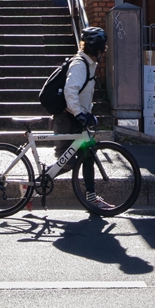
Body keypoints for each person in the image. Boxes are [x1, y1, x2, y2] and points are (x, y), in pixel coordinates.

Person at [53, 26, 112, 211]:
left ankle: (91, 198)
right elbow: (71, 90)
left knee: (87, 156)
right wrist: (79, 113)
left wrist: (87, 114)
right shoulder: (80, 65)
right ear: (96, 49)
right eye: (102, 48)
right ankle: (38, 181)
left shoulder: (88, 64)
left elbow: (83, 94)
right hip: (68, 119)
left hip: (75, 118)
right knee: (67, 162)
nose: (104, 51)